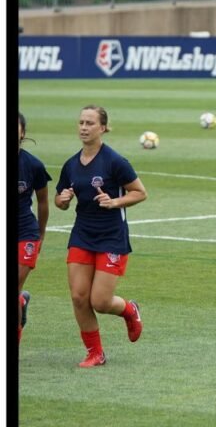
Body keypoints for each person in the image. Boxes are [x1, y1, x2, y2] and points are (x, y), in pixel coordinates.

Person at [54, 105, 147, 367]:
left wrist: (115, 202)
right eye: (81, 122)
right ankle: (95, 353)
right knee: (79, 297)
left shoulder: (115, 161)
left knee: (101, 301)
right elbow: (60, 199)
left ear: (103, 128)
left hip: (112, 236)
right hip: (82, 234)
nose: (84, 127)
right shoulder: (71, 164)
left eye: (90, 123)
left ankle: (130, 310)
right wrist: (62, 200)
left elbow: (140, 192)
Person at [18, 112, 51, 344]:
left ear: (23, 133)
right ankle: (21, 301)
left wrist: (40, 236)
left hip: (25, 234)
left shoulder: (33, 165)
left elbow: (42, 203)